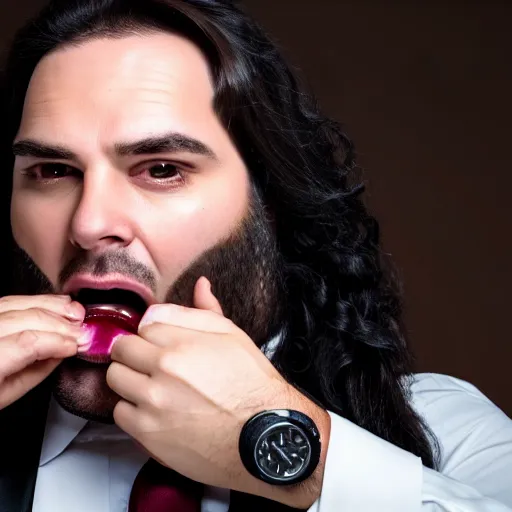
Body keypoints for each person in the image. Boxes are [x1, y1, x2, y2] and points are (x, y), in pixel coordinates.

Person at [0, 0, 510, 510]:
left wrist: (274, 440)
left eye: (161, 169)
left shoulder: (444, 432)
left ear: (268, 203)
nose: (89, 225)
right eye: (52, 171)